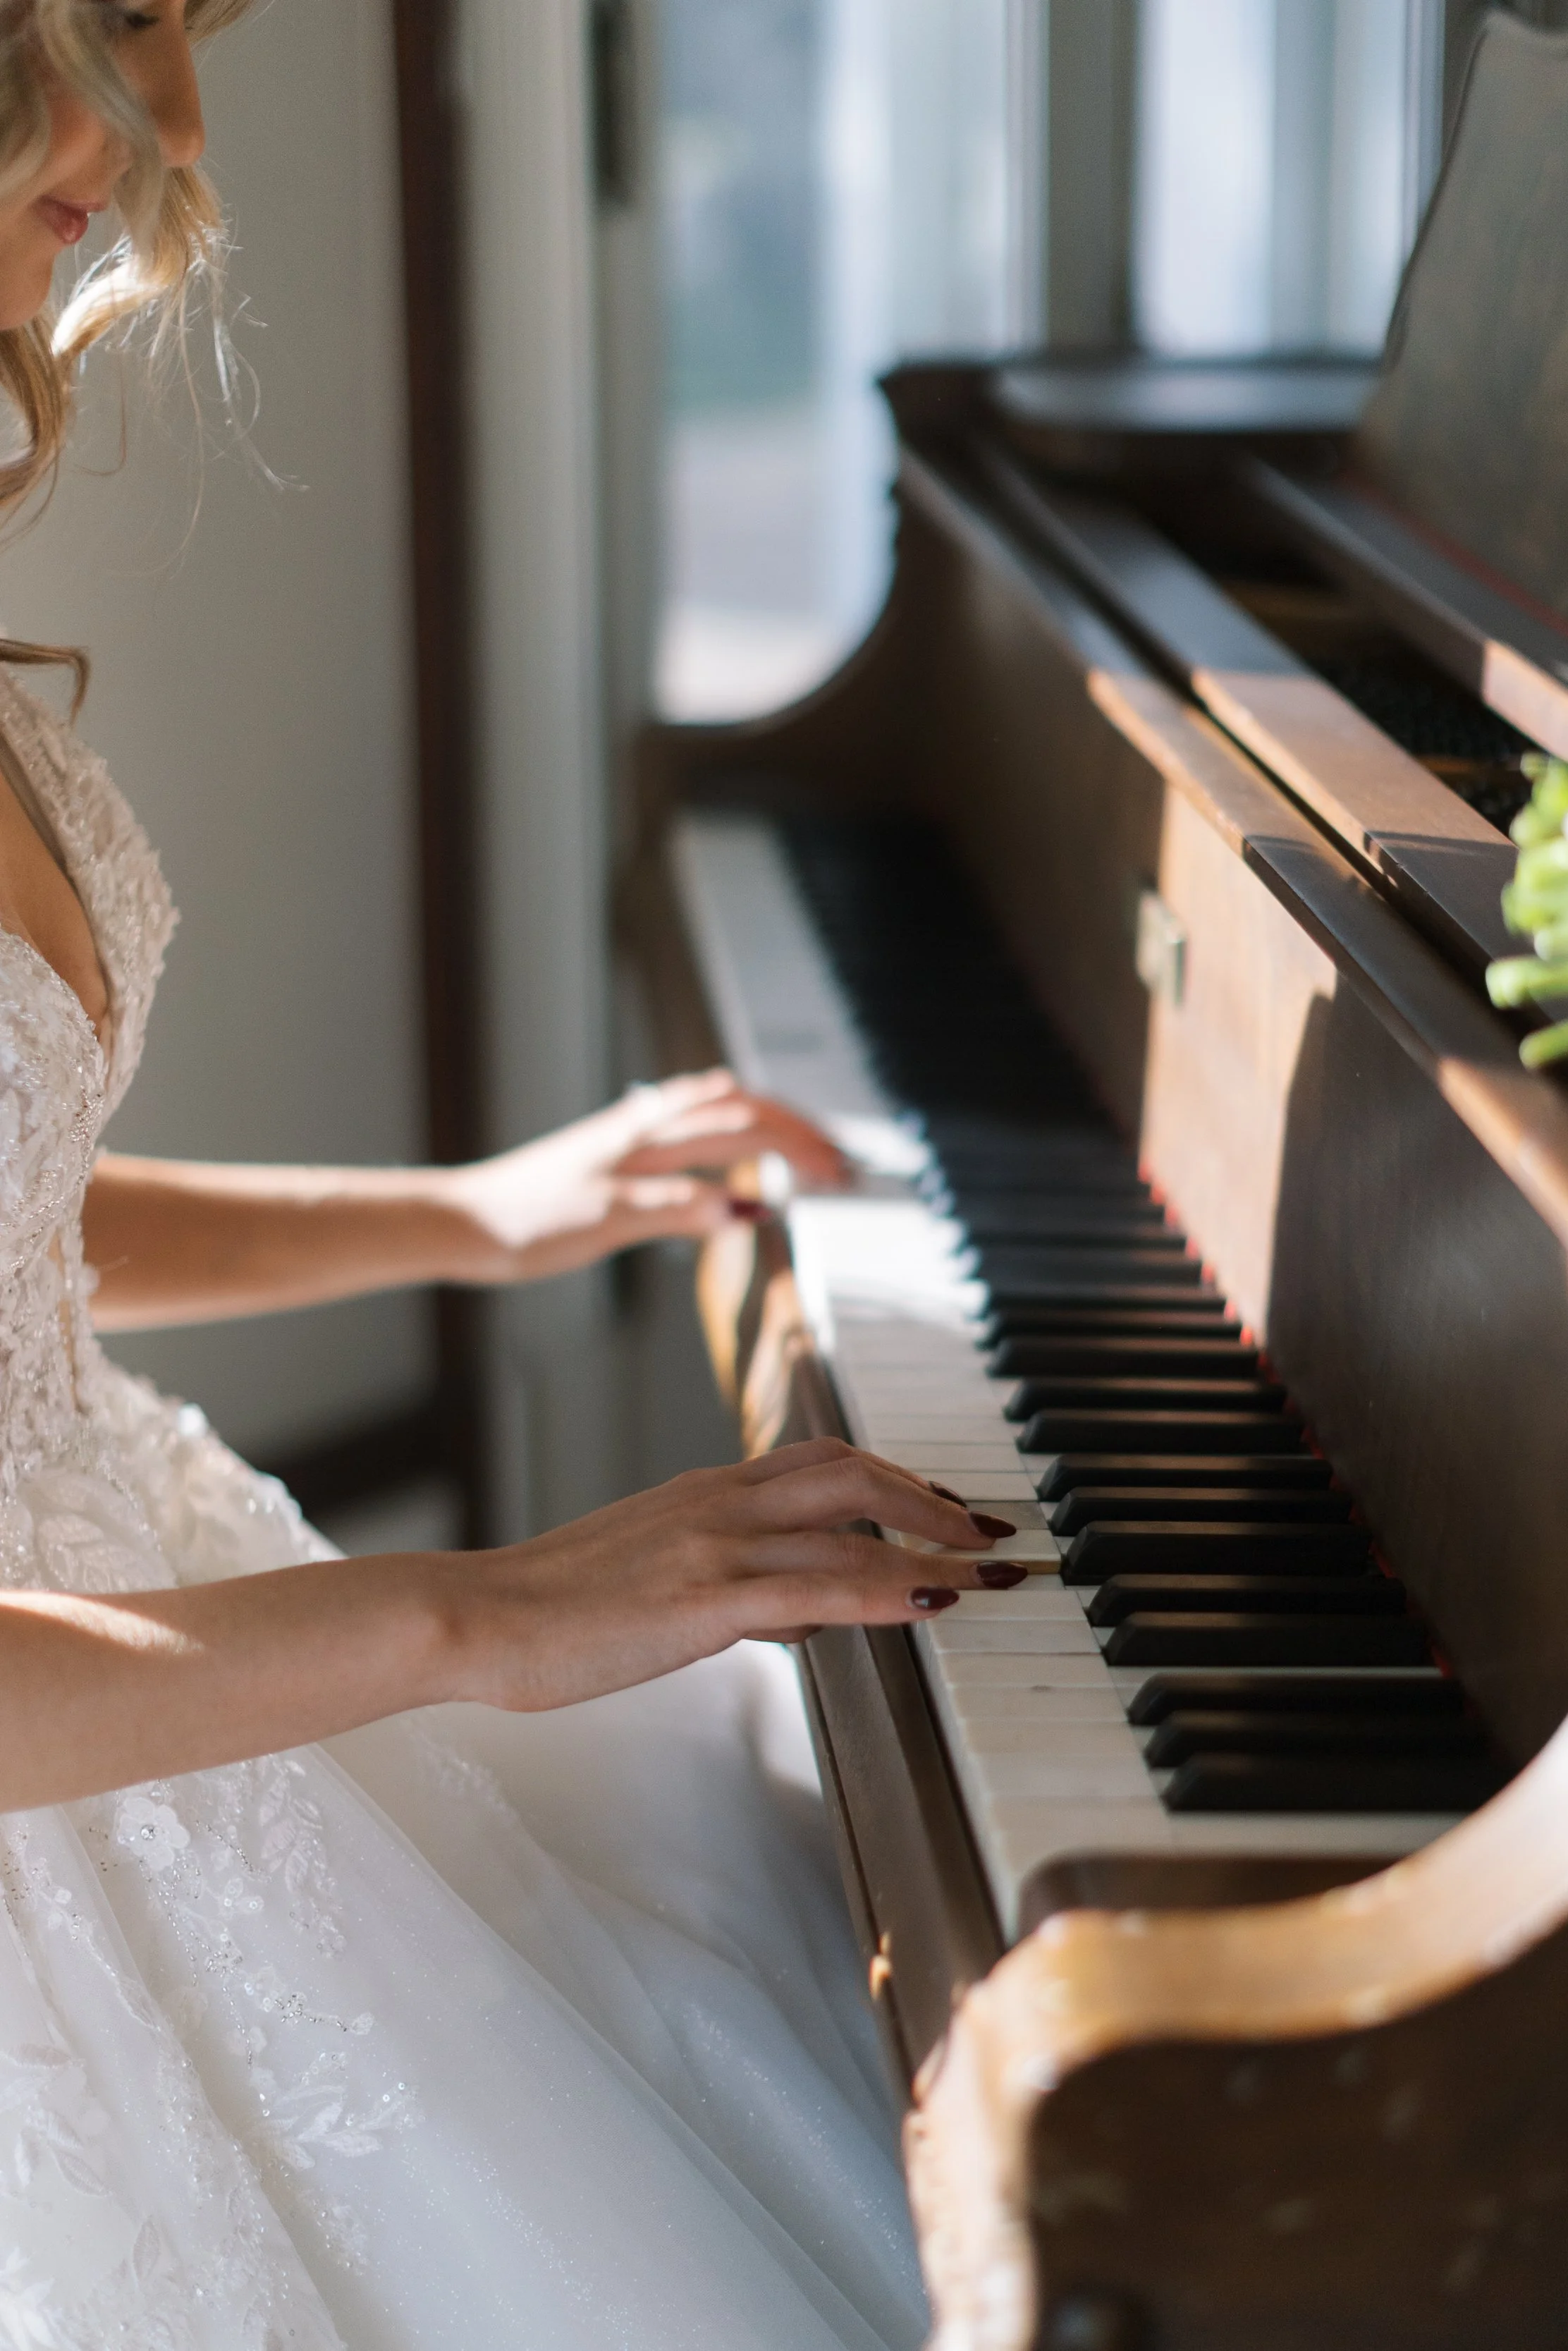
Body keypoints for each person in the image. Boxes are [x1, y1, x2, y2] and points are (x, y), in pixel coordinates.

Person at [0, 4, 1019, 2342]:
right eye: (121, 23)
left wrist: (484, 1209)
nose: (171, 130)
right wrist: (490, 1612)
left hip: (190, 1649)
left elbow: (7, 1223)